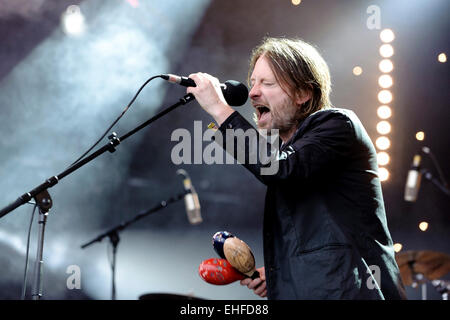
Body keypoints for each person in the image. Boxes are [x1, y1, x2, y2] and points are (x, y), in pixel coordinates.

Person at [186, 37, 407, 299]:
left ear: (303, 93)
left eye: (267, 83)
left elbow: (280, 169)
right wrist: (286, 274)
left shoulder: (338, 124)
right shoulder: (289, 154)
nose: (253, 92)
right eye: (253, 82)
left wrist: (218, 108)